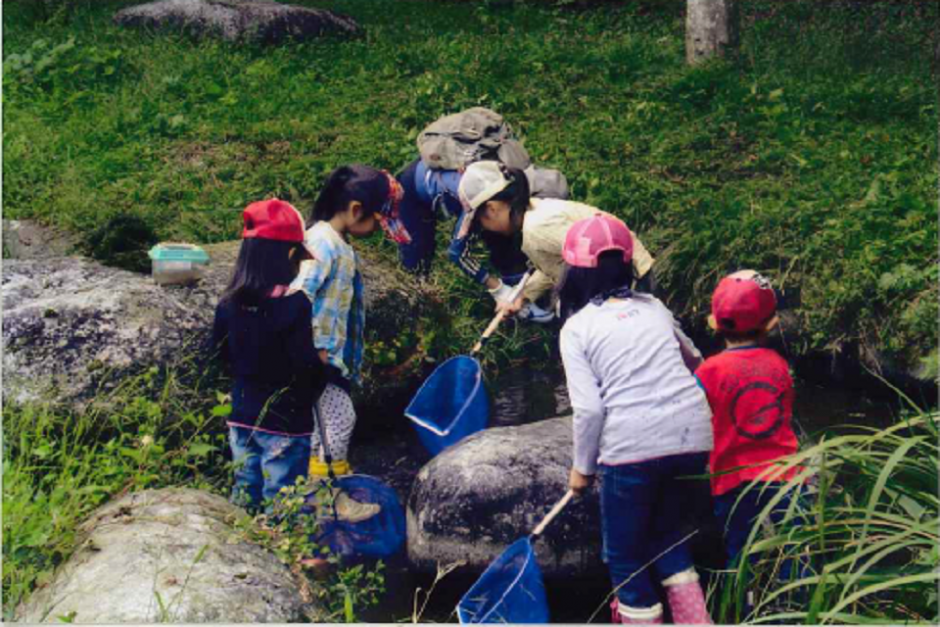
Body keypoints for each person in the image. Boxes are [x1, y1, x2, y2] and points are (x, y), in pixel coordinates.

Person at [558, 215, 714, 625]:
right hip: (692, 438)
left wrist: (582, 469)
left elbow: (589, 410)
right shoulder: (655, 307)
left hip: (631, 450)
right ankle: (696, 620)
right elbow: (695, 360)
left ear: (572, 272)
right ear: (627, 264)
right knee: (667, 537)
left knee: (624, 554)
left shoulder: (576, 328)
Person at [290, 165, 410, 504]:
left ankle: (325, 479)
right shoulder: (322, 244)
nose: (376, 230)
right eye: (377, 221)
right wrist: (315, 349)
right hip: (316, 358)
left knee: (325, 425)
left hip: (329, 359)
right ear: (356, 209)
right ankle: (326, 498)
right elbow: (300, 295)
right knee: (340, 419)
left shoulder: (337, 243)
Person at [212, 198, 325, 513]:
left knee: (245, 488)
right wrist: (323, 370)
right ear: (291, 255)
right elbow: (304, 365)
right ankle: (283, 551)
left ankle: (244, 544)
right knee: (283, 497)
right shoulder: (295, 305)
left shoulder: (227, 304)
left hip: (242, 414)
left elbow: (219, 353)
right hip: (285, 421)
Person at [694, 271, 803, 574]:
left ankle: (741, 608)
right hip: (785, 474)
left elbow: (695, 420)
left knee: (739, 553)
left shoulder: (708, 372)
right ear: (771, 323)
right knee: (798, 550)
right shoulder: (780, 364)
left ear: (714, 323)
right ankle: (799, 608)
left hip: (732, 477)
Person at [457, 161, 657, 320]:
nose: (482, 227)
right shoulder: (534, 211)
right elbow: (558, 264)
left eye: (480, 220)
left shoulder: (538, 229)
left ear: (492, 208)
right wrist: (522, 296)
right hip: (621, 277)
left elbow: (601, 253)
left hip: (632, 280)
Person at [395, 158, 569, 323]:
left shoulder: (501, 184)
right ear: (491, 208)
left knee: (500, 237)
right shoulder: (476, 204)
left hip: (465, 190)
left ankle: (519, 294)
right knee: (417, 253)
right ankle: (414, 308)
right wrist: (497, 288)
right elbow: (457, 253)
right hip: (412, 188)